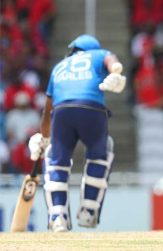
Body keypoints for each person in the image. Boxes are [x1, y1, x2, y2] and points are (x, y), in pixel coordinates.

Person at [27, 34, 126, 232]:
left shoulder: (59, 67)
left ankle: (58, 217)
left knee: (56, 160)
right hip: (92, 109)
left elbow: (47, 110)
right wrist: (116, 71)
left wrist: (45, 139)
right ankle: (89, 212)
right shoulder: (99, 54)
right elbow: (112, 61)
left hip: (62, 112)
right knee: (101, 154)